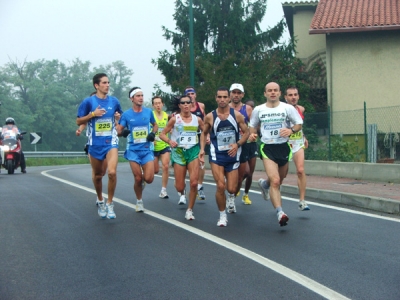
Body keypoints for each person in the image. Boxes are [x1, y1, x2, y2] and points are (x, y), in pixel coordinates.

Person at [248, 82, 303, 227]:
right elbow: (252, 126)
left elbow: (299, 123)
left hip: (283, 147)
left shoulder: (287, 108)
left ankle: (264, 184)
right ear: (265, 93)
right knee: (276, 181)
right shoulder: (258, 109)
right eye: (269, 91)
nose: (272, 93)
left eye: (275, 90)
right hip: (267, 147)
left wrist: (291, 131)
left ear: (279, 93)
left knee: (281, 178)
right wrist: (253, 135)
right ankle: (280, 213)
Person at [199, 87, 249, 227]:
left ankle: (230, 198)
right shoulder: (210, 116)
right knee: (220, 186)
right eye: (219, 97)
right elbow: (204, 133)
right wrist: (202, 150)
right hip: (217, 155)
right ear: (216, 98)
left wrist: (237, 144)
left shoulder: (237, 115)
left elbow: (247, 132)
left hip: (232, 155)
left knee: (232, 189)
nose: (222, 100)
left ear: (229, 98)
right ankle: (222, 215)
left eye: (224, 97)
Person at [76, 73, 122, 219]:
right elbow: (78, 121)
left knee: (112, 172)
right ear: (96, 85)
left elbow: (119, 119)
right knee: (98, 175)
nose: (107, 85)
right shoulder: (88, 102)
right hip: (95, 143)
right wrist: (92, 114)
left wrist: (117, 119)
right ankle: (100, 200)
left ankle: (110, 203)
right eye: (104, 83)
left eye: (108, 82)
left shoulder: (114, 101)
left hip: (111, 142)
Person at [159, 94, 204, 221]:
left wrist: (202, 148)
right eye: (183, 103)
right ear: (179, 106)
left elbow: (204, 132)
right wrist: (169, 141)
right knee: (180, 186)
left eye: (188, 103)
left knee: (194, 182)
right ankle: (181, 189)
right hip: (179, 152)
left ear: (191, 105)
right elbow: (162, 134)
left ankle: (189, 210)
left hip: (193, 151)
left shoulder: (197, 119)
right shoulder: (174, 119)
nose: (185, 105)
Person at [117, 87, 157, 213]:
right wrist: (123, 132)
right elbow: (118, 130)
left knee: (149, 179)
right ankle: (139, 201)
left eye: (142, 95)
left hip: (146, 149)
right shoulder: (127, 114)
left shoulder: (148, 112)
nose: (141, 98)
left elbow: (155, 125)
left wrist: (153, 133)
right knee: (138, 178)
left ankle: (142, 185)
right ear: (132, 99)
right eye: (138, 96)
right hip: (133, 150)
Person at [229, 84, 257, 205]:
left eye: (238, 93)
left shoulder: (247, 109)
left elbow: (254, 124)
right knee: (243, 173)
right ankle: (233, 195)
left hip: (250, 143)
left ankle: (245, 194)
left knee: (250, 173)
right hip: (235, 144)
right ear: (230, 94)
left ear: (242, 95)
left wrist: (252, 133)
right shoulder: (226, 108)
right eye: (234, 92)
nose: (236, 95)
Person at [284, 86, 310, 211]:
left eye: (295, 94)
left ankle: (302, 201)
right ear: (285, 97)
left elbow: (299, 125)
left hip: (298, 142)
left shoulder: (301, 109)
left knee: (300, 170)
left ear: (298, 96)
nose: (293, 97)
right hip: (285, 143)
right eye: (290, 95)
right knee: (280, 175)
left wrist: (304, 137)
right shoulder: (281, 110)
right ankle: (268, 186)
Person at [184, 86, 208, 200]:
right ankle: (186, 187)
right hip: (188, 137)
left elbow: (205, 122)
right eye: (188, 94)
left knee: (201, 162)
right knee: (188, 163)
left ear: (195, 95)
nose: (191, 96)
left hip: (200, 136)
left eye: (192, 93)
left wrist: (207, 135)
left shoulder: (201, 106)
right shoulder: (184, 107)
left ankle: (200, 186)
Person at [152, 96, 171, 199]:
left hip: (164, 144)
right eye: (156, 103)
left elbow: (169, 126)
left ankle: (163, 190)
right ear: (153, 105)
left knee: (166, 166)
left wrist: (170, 131)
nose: (158, 105)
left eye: (159, 103)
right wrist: (151, 138)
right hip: (154, 146)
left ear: (162, 104)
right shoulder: (151, 115)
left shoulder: (166, 115)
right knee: (155, 171)